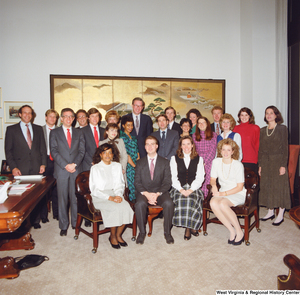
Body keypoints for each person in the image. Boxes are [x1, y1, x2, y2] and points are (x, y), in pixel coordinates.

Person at [5, 105, 47, 229]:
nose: (27, 115)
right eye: (25, 113)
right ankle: (23, 222)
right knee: (21, 197)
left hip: (36, 167)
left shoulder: (38, 129)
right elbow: (8, 151)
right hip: (20, 168)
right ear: (20, 114)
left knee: (36, 196)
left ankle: (35, 221)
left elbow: (42, 149)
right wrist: (13, 167)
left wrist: (43, 163)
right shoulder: (11, 129)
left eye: (30, 113)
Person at [89, 143, 134, 249]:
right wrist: (110, 198)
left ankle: (118, 235)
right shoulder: (95, 168)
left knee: (127, 208)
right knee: (115, 209)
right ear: (100, 155)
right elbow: (94, 189)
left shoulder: (117, 166)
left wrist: (118, 195)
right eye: (104, 153)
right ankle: (112, 236)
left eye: (110, 152)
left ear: (113, 154)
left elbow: (120, 184)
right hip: (100, 197)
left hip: (115, 194)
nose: (107, 155)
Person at [50, 108, 85, 236]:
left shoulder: (78, 132)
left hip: (76, 169)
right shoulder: (54, 133)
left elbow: (82, 151)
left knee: (75, 198)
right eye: (66, 116)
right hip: (61, 170)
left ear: (74, 118)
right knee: (62, 198)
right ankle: (63, 225)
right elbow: (54, 151)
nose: (68, 119)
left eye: (71, 116)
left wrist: (74, 164)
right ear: (61, 118)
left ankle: (75, 224)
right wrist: (66, 165)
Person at [135, 136, 174, 245]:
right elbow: (137, 182)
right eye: (147, 144)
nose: (150, 146)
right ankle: (142, 232)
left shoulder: (165, 162)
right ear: (145, 147)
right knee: (139, 204)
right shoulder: (139, 162)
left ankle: (167, 233)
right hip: (144, 192)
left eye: (152, 144)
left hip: (160, 192)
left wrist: (157, 194)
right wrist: (147, 194)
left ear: (157, 146)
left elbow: (167, 182)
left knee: (169, 203)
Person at [210, 138, 247, 246]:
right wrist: (213, 186)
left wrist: (222, 194)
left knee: (222, 203)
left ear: (233, 152)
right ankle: (231, 230)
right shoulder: (216, 161)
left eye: (228, 150)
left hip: (237, 193)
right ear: (220, 151)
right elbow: (213, 179)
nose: (225, 152)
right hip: (222, 191)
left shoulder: (238, 165)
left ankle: (239, 231)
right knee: (213, 203)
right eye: (223, 150)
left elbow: (240, 187)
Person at [258, 106, 290, 226]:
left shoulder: (282, 129)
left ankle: (280, 213)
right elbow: (261, 150)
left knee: (279, 187)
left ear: (276, 115)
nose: (269, 115)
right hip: (266, 162)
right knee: (267, 186)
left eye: (271, 113)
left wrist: (283, 165)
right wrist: (260, 165)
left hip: (278, 161)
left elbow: (285, 149)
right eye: (267, 113)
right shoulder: (262, 130)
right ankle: (270, 211)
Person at [170, 136, 205, 240]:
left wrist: (191, 189)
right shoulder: (174, 158)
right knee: (181, 199)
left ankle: (189, 228)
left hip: (194, 187)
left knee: (191, 199)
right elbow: (173, 177)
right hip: (178, 187)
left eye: (188, 144)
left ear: (192, 145)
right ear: (180, 146)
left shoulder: (199, 159)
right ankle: (191, 226)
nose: (186, 146)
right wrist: (181, 190)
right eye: (183, 144)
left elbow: (200, 177)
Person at [192, 117, 217, 198]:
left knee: (208, 181)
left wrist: (204, 162)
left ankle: (207, 200)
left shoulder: (213, 135)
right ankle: (199, 200)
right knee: (198, 179)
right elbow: (194, 150)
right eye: (199, 123)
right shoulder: (194, 135)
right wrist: (199, 162)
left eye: (203, 122)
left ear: (207, 124)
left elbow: (212, 151)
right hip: (198, 161)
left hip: (209, 162)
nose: (201, 124)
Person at [42, 109, 59, 221]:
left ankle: (56, 213)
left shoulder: (59, 130)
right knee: (43, 190)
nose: (52, 119)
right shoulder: (39, 130)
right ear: (46, 117)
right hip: (45, 161)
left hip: (57, 161)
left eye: (54, 117)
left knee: (57, 188)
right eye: (50, 116)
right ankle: (43, 216)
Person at [233, 107, 260, 174]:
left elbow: (257, 145)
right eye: (242, 115)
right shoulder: (235, 128)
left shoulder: (255, 128)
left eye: (246, 115)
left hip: (251, 160)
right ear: (239, 116)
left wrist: (257, 160)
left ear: (250, 116)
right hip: (238, 160)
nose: (244, 117)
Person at [120, 116, 140, 202]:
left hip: (136, 165)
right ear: (123, 125)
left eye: (131, 125)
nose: (130, 127)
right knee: (130, 188)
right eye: (128, 125)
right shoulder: (122, 138)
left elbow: (137, 152)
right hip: (128, 167)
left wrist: (139, 165)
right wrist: (135, 166)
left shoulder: (134, 138)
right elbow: (126, 155)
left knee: (137, 186)